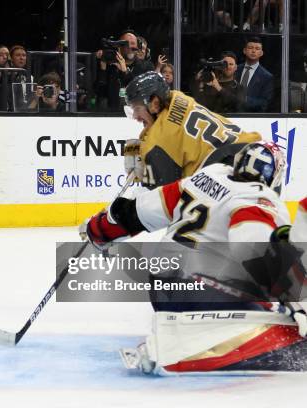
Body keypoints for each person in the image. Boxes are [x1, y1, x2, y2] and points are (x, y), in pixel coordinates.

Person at [84, 141, 307, 374]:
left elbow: (142, 210)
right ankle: (193, 350)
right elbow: (253, 251)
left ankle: (193, 336)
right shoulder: (259, 198)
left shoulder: (207, 176)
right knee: (292, 336)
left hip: (161, 288)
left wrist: (100, 229)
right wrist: (296, 299)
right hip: (205, 292)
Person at [122, 71, 261, 190]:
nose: (135, 116)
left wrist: (149, 172)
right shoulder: (178, 97)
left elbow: (164, 200)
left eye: (137, 109)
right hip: (258, 156)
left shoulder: (157, 143)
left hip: (234, 179)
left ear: (155, 103)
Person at [94, 30, 154, 111]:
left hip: (137, 116)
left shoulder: (146, 67)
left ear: (138, 46)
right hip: (112, 116)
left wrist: (125, 71)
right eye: (125, 44)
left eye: (133, 43)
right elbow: (99, 94)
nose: (129, 47)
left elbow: (143, 93)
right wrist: (103, 70)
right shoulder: (111, 66)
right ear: (119, 47)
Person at [235, 36, 273, 112]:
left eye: (257, 48)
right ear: (244, 51)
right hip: (230, 114)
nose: (253, 51)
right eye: (250, 48)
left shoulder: (267, 77)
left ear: (261, 53)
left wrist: (244, 99)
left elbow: (265, 103)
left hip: (251, 117)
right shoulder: (235, 69)